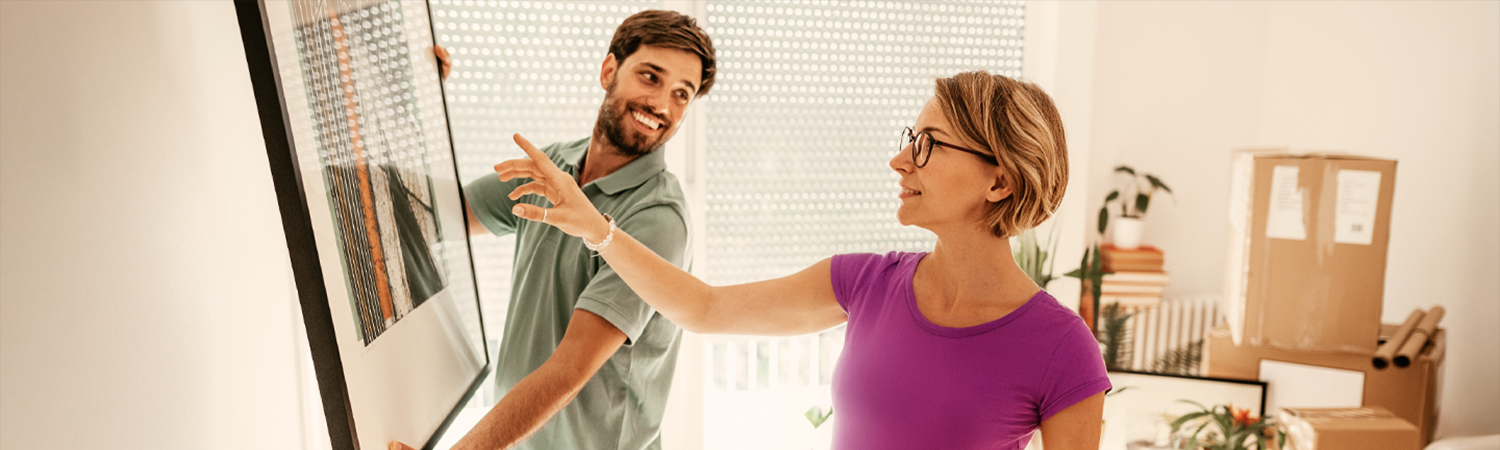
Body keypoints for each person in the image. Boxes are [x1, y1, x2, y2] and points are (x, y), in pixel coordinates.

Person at [496, 71, 1109, 449]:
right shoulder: (866, 282)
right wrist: (598, 229)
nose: (901, 161)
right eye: (908, 140)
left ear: (998, 182)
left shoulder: (1060, 347)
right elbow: (707, 308)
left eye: (928, 145)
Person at [391, 9, 715, 450]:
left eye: (682, 93)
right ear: (609, 70)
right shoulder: (556, 168)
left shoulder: (659, 217)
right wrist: (419, 103)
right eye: (651, 77)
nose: (662, 105)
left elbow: (570, 370)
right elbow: (434, 213)